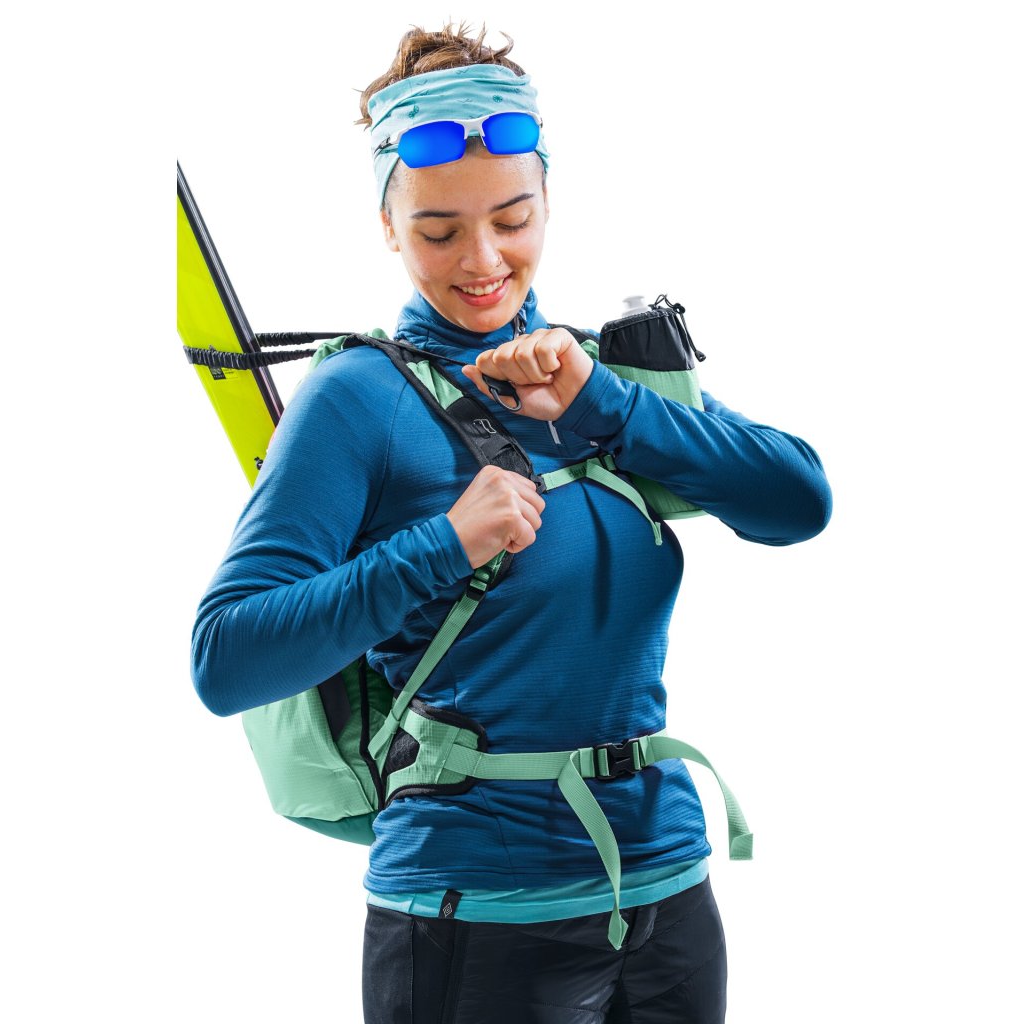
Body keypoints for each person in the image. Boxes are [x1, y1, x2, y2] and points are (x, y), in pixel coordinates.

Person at [190, 21, 833, 1024]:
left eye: (513, 217)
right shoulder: (357, 398)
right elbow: (225, 659)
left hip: (665, 888)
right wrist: (440, 545)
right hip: (473, 910)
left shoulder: (595, 371)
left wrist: (604, 405)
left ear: (547, 201)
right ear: (389, 226)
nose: (484, 259)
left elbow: (799, 504)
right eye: (439, 231)